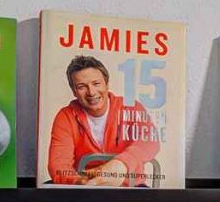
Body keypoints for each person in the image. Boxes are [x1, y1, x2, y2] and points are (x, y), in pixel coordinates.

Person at [44, 55, 163, 186]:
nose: (91, 92)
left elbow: (151, 141)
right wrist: (82, 181)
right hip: (86, 185)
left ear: (107, 84)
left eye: (96, 84)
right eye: (81, 86)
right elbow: (59, 165)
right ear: (74, 91)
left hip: (129, 186)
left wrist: (121, 164)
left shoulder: (131, 107)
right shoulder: (66, 116)